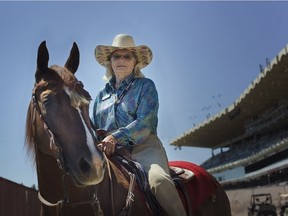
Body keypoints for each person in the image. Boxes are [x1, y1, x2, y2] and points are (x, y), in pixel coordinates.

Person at [92, 34, 186, 216]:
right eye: (116, 56)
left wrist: (115, 137)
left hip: (143, 146)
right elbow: (94, 128)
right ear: (109, 62)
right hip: (107, 151)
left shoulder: (146, 86)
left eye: (127, 56)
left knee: (158, 181)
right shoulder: (99, 98)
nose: (121, 60)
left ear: (135, 62)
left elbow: (144, 123)